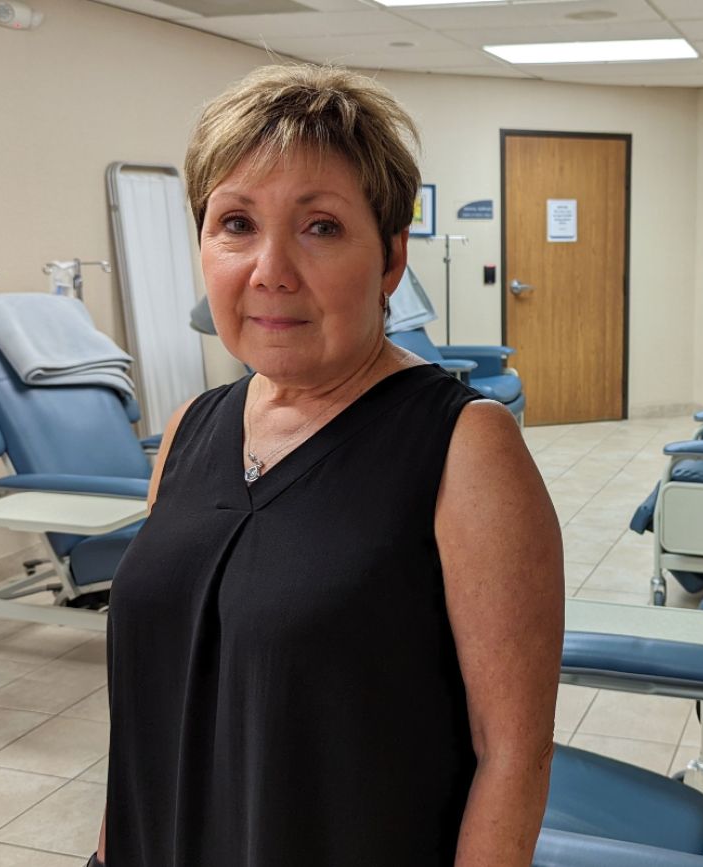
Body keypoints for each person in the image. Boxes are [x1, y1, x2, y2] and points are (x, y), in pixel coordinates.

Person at [91, 63, 564, 866]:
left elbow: (511, 756)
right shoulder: (188, 431)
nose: (270, 267)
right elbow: (149, 704)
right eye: (235, 223)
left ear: (389, 260)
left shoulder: (464, 448)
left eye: (321, 226)